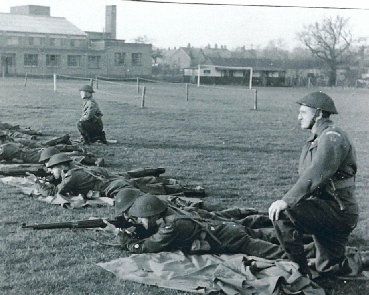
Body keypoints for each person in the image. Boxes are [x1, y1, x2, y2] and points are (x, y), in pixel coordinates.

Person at [268, 91, 358, 277]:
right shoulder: (317, 138)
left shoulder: (332, 137)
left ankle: (300, 272)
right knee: (328, 267)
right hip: (327, 208)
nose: (299, 117)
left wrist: (287, 201)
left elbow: (317, 172)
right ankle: (362, 259)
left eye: (303, 112)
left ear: (318, 114)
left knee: (283, 215)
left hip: (337, 210)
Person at [112, 194, 286, 259]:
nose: (139, 221)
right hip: (225, 228)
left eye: (142, 218)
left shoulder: (170, 227)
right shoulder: (169, 212)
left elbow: (148, 246)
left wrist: (126, 240)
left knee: (275, 252)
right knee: (268, 235)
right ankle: (297, 233)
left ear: (153, 215)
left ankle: (304, 253)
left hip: (229, 238)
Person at [37, 153, 206, 199]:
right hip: (113, 180)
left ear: (62, 166)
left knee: (152, 191)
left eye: (53, 169)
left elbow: (54, 192)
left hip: (111, 187)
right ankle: (190, 189)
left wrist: (38, 184)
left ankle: (191, 193)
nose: (51, 172)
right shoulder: (77, 168)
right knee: (148, 185)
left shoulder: (70, 177)